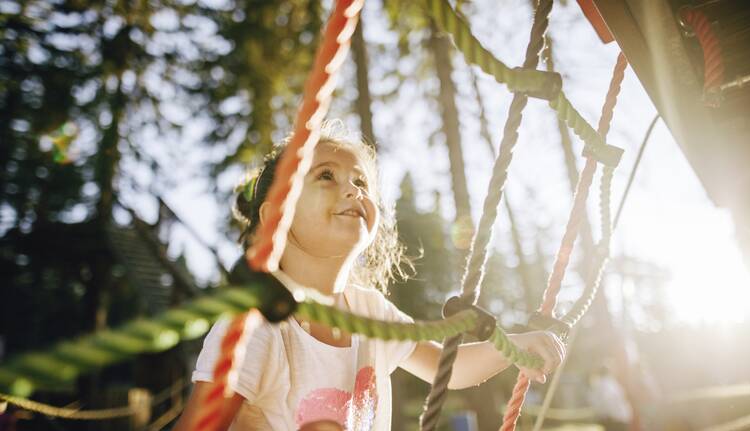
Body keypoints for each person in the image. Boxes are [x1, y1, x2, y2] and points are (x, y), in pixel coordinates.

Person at [173, 122, 565, 431]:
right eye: (326, 176)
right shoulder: (257, 326)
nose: (352, 191)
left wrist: (510, 345)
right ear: (276, 216)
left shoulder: (369, 310)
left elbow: (449, 369)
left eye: (361, 182)